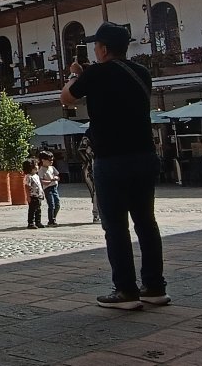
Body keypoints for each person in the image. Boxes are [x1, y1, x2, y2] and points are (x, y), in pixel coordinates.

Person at [61, 22, 168, 310]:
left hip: (112, 159)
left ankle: (125, 291)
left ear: (104, 49)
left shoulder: (96, 73)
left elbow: (67, 98)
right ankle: (155, 287)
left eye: (96, 46)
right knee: (146, 222)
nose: (95, 50)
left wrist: (75, 75)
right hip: (144, 155)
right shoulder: (141, 72)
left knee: (116, 226)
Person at [37, 151, 61, 226]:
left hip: (54, 187)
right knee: (51, 204)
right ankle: (51, 220)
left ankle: (54, 217)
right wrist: (49, 181)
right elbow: (41, 181)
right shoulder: (41, 170)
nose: (51, 161)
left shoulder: (52, 168)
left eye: (52, 160)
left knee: (57, 204)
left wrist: (56, 178)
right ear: (43, 160)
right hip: (48, 188)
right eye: (49, 160)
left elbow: (58, 176)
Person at [22, 159, 45, 229]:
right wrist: (28, 196)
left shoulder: (36, 176)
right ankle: (31, 223)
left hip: (38, 195)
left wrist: (42, 193)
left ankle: (38, 222)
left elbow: (39, 185)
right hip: (33, 196)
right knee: (32, 210)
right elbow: (27, 186)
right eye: (36, 165)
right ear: (31, 168)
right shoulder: (28, 177)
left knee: (38, 209)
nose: (38, 167)